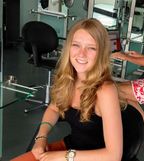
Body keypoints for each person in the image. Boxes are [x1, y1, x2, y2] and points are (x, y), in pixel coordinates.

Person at [12, 18, 123, 161]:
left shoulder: (105, 90)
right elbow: (53, 108)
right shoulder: (68, 78)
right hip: (71, 149)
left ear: (101, 53)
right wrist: (41, 137)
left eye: (91, 48)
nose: (81, 54)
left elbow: (114, 156)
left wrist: (63, 156)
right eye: (76, 45)